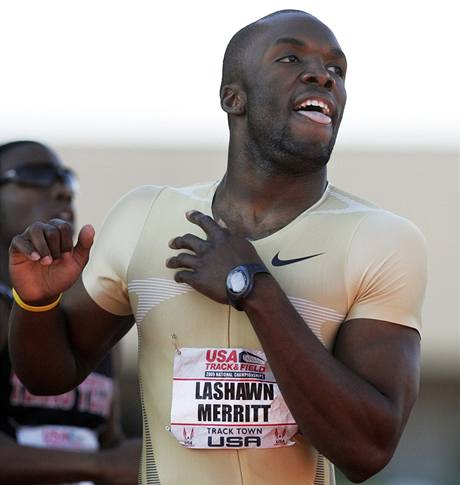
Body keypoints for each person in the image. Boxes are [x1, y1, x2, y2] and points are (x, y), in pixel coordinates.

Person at [7, 10, 427, 485]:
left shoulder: (381, 239)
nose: (321, 75)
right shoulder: (145, 216)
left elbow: (368, 449)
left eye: (337, 69)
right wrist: (36, 303)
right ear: (233, 97)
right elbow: (50, 375)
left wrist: (253, 289)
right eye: (291, 57)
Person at [0, 140, 140, 484]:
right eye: (38, 175)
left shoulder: (94, 316)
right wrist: (101, 467)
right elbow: (106, 462)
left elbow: (108, 443)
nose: (63, 190)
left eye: (66, 178)